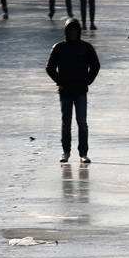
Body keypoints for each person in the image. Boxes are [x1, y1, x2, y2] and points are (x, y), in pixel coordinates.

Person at [45, 17, 100, 163]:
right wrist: (60, 81)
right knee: (66, 123)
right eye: (70, 30)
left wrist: (87, 81)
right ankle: (66, 152)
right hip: (65, 91)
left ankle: (83, 153)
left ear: (79, 31)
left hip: (81, 90)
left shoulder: (86, 47)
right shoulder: (59, 48)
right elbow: (49, 68)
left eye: (75, 29)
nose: (73, 32)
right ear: (66, 31)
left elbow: (95, 66)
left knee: (82, 123)